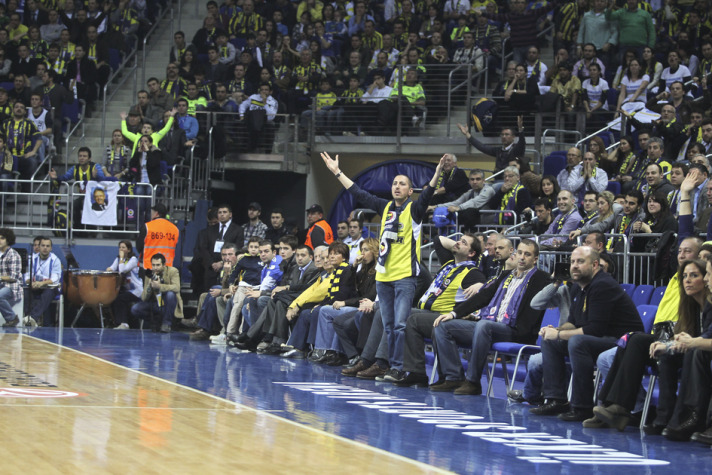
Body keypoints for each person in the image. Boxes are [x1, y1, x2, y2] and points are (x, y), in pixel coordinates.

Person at [320, 151, 445, 380]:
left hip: (405, 276)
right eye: (395, 183)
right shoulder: (384, 207)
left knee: (399, 325)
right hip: (383, 277)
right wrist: (337, 172)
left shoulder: (414, 210)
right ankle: (385, 365)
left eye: (403, 184)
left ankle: (397, 367)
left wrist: (437, 173)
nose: (397, 186)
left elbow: (427, 194)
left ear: (410, 191)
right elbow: (357, 191)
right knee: (388, 326)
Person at [593, 257, 710, 434]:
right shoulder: (688, 305)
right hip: (689, 348)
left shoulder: (709, 305)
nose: (687, 280)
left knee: (671, 356)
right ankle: (616, 407)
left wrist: (668, 346)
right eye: (685, 276)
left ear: (705, 279)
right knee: (636, 339)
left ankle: (669, 417)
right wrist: (667, 343)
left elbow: (696, 341)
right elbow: (682, 337)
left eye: (694, 275)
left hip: (698, 352)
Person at [530, 247, 643, 421]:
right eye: (572, 262)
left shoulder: (602, 285)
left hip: (622, 341)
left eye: (580, 262)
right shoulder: (579, 287)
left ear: (595, 265)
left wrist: (559, 335)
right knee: (549, 341)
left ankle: (582, 407)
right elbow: (573, 322)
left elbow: (594, 330)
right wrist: (555, 331)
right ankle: (556, 399)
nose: (574, 266)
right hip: (600, 338)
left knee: (577, 342)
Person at [430, 239, 550, 394]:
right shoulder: (507, 275)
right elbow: (483, 297)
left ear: (535, 259)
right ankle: (453, 377)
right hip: (491, 326)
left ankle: (473, 382)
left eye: (527, 254)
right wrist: (454, 313)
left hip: (515, 331)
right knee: (443, 325)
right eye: (519, 252)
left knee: (484, 325)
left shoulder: (541, 278)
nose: (521, 257)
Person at [193, 204, 244, 295]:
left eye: (225, 212)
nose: (222, 214)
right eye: (220, 212)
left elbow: (238, 248)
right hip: (211, 267)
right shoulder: (210, 229)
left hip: (228, 267)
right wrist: (212, 263)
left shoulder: (238, 230)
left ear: (230, 214)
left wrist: (221, 262)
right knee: (209, 294)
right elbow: (204, 248)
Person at [429, 169, 495, 231]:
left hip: (487, 221)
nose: (475, 182)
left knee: (468, 212)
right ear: (469, 181)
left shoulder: (489, 190)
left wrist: (459, 208)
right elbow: (456, 202)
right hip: (474, 222)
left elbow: (475, 202)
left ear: (483, 181)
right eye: (472, 179)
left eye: (478, 179)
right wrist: (436, 206)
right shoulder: (470, 192)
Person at [131, 253, 182, 333]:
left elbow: (176, 287)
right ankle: (155, 322)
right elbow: (144, 298)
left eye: (158, 265)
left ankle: (166, 324)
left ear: (164, 265)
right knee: (135, 309)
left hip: (168, 304)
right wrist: (149, 286)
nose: (155, 268)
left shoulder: (173, 271)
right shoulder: (150, 274)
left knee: (170, 294)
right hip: (157, 304)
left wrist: (159, 286)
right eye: (153, 265)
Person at [457, 116, 525, 173]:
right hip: (497, 179)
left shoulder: (517, 149)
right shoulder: (498, 150)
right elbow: (482, 147)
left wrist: (520, 129)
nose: (504, 136)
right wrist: (467, 134)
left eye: (507, 134)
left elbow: (522, 142)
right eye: (502, 135)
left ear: (513, 137)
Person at [23, 236, 61, 327]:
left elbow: (55, 278)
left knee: (48, 293)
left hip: (49, 287)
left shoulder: (55, 260)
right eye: (43, 245)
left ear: (51, 248)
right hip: (34, 285)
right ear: (39, 247)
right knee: (26, 291)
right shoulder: (32, 258)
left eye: (47, 246)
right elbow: (27, 275)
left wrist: (41, 283)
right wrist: (30, 282)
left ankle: (32, 318)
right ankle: (28, 316)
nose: (45, 248)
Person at [107, 240, 143, 330]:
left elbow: (122, 270)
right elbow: (112, 267)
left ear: (129, 249)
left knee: (120, 299)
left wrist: (122, 258)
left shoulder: (133, 260)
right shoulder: (118, 259)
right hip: (127, 289)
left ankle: (124, 324)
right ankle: (116, 322)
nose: (121, 249)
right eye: (120, 247)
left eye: (123, 247)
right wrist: (109, 269)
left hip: (137, 291)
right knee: (112, 297)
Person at [137, 203, 179, 270]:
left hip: (149, 266)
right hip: (167, 266)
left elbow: (139, 246)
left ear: (156, 213)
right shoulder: (174, 229)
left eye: (152, 212)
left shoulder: (147, 227)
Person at [0, 227, 22, 327]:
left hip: (12, 286)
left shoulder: (13, 255)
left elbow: (13, 277)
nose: (0, 240)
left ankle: (12, 318)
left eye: (2, 238)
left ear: (8, 240)